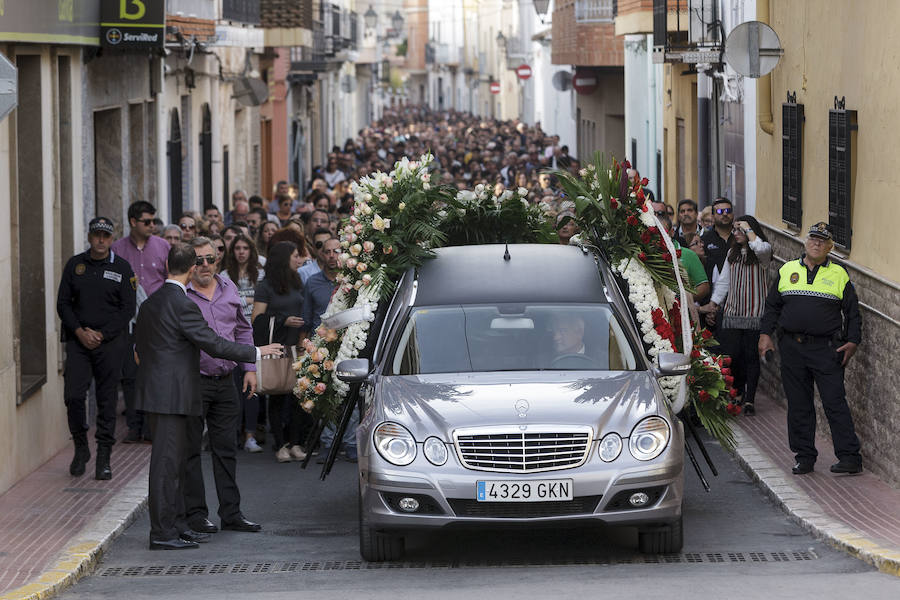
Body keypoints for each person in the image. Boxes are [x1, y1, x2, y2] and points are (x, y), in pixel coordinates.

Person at [134, 243, 282, 550]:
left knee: (172, 464)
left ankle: (175, 527)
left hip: (161, 393)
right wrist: (255, 352)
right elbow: (212, 343)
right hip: (173, 395)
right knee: (167, 466)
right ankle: (163, 533)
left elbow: (142, 350)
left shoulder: (151, 302)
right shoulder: (182, 303)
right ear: (189, 270)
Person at [759, 222, 863, 476]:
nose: (816, 243)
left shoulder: (839, 274)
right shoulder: (787, 270)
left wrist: (853, 341)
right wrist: (765, 336)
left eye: (822, 241)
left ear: (830, 247)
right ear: (805, 242)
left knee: (834, 402)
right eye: (813, 239)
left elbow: (852, 312)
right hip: (791, 348)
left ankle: (850, 457)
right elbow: (772, 307)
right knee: (799, 405)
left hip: (826, 350)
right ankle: (804, 457)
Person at [183, 238, 263, 536]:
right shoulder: (183, 295)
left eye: (209, 259)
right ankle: (196, 515)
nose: (204, 265)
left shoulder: (229, 288)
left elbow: (243, 329)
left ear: (218, 260)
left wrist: (250, 369)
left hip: (226, 382)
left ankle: (231, 514)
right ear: (189, 263)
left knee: (226, 450)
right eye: (198, 260)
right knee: (191, 451)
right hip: (194, 383)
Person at [57, 217, 136, 479]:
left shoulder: (123, 268)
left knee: (107, 400)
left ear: (111, 239)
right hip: (79, 341)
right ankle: (81, 447)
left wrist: (102, 334)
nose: (100, 240)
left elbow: (128, 308)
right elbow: (63, 304)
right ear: (89, 237)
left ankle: (104, 457)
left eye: (105, 235)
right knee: (74, 396)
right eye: (96, 235)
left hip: (110, 344)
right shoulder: (75, 265)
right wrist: (80, 332)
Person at [700, 216, 772, 416]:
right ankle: (739, 391)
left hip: (754, 313)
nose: (737, 233)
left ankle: (750, 399)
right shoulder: (732, 252)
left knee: (751, 356)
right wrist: (714, 304)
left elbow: (761, 249)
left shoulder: (761, 253)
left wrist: (749, 230)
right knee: (734, 355)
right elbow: (724, 281)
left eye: (741, 229)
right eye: (736, 230)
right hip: (733, 312)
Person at [112, 201, 171, 443]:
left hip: (157, 321)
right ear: (133, 222)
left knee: (155, 373)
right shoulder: (117, 249)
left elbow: (171, 280)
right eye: (147, 222)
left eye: (154, 221)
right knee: (131, 374)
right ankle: (134, 426)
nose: (152, 226)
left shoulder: (163, 246)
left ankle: (151, 426)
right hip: (128, 322)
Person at [251, 241, 307, 463]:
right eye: (295, 255)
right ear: (284, 258)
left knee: (299, 398)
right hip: (276, 348)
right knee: (277, 397)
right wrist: (284, 321)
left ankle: (295, 443)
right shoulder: (265, 286)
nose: (299, 259)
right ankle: (280, 445)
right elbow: (257, 319)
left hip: (297, 347)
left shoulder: (297, 280)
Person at [221, 233, 266, 452]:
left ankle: (250, 435)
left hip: (253, 334)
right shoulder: (223, 275)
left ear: (251, 250)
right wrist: (247, 299)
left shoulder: (261, 274)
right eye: (237, 248)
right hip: (229, 335)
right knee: (233, 387)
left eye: (245, 248)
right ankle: (232, 433)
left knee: (252, 387)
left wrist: (242, 299)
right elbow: (222, 303)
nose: (240, 251)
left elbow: (263, 301)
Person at [700, 197, 735, 284]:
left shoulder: (740, 237)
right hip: (714, 290)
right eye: (720, 212)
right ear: (713, 216)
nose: (725, 214)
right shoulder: (705, 239)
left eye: (728, 211)